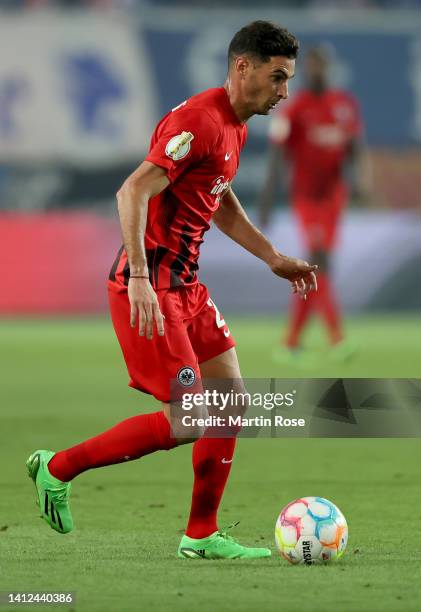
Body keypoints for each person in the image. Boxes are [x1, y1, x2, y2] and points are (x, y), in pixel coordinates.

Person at [26, 21, 317, 560]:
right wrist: (139, 276)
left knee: (230, 405)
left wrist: (272, 257)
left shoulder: (235, 126)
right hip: (150, 287)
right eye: (277, 78)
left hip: (185, 287)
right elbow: (132, 189)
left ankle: (201, 536)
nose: (284, 92)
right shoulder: (198, 122)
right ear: (242, 67)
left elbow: (219, 200)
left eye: (289, 80)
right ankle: (56, 468)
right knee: (192, 420)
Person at [259, 45, 369, 360]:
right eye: (311, 67)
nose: (316, 71)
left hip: (334, 196)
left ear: (328, 68)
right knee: (319, 261)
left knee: (316, 267)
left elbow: (355, 148)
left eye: (321, 66)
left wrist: (360, 181)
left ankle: (291, 343)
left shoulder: (343, 105)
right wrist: (267, 200)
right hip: (306, 197)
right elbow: (277, 154)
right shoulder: (293, 108)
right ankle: (337, 339)